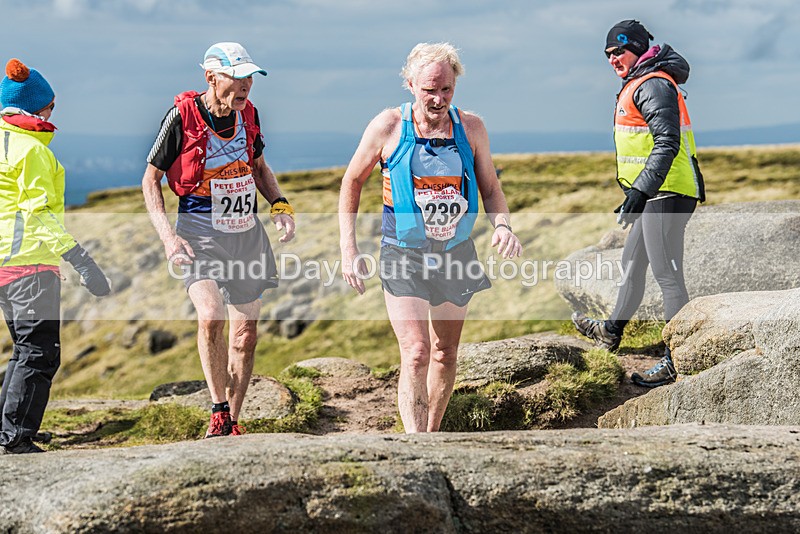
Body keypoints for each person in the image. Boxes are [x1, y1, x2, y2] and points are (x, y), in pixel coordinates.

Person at [339, 43, 522, 433]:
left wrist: (503, 226)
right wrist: (348, 248)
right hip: (402, 253)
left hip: (455, 253)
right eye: (429, 90)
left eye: (446, 89)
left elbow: (491, 189)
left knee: (444, 353)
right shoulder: (388, 126)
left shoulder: (471, 128)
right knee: (417, 353)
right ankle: (415, 441)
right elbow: (352, 181)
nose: (438, 99)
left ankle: (431, 436)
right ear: (410, 85)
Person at [142, 43, 295, 438]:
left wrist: (279, 204)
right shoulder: (182, 116)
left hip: (246, 234)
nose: (245, 86)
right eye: (237, 77)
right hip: (199, 232)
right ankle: (218, 409)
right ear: (211, 77)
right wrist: (168, 237)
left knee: (245, 336)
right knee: (211, 315)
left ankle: (233, 421)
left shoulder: (250, 116)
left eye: (249, 78)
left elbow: (259, 168)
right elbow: (150, 180)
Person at [572, 20, 705, 388]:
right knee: (631, 263)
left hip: (667, 193)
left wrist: (642, 191)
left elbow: (667, 143)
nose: (613, 59)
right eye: (608, 54)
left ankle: (678, 360)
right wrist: (638, 193)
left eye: (620, 51)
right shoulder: (639, 81)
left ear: (637, 49)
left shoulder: (653, 84)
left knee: (668, 277)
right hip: (654, 193)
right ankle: (610, 332)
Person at [0, 59, 110, 454]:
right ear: (36, 107)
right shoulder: (31, 150)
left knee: (23, 348)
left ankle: (6, 426)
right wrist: (81, 260)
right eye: (51, 106)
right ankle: (16, 437)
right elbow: (39, 213)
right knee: (40, 353)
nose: (52, 113)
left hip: (5, 265)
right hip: (29, 264)